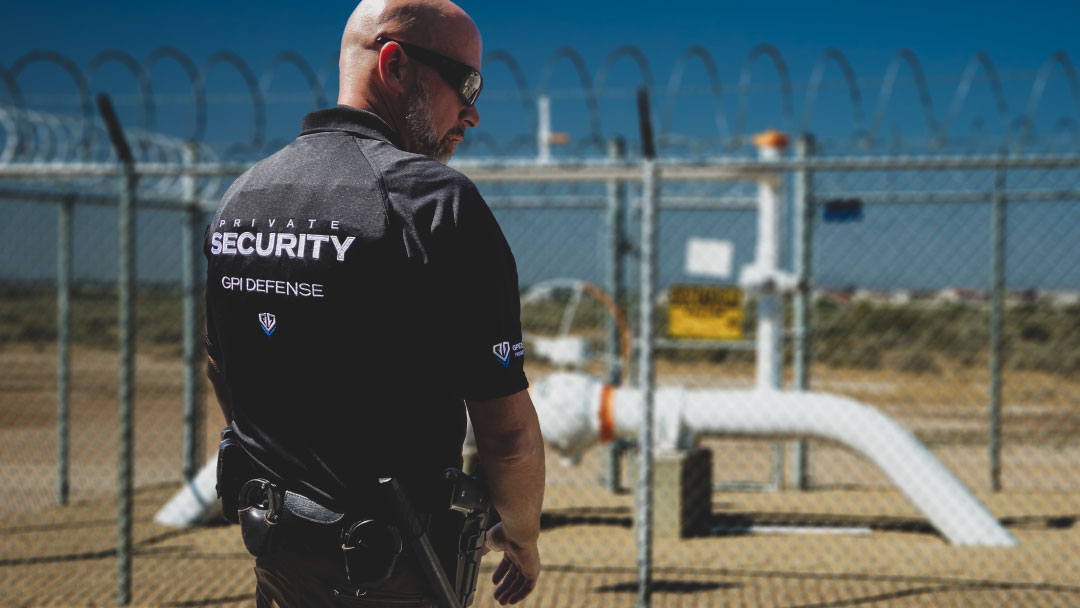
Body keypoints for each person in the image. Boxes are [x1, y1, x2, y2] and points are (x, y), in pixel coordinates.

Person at [203, 1, 545, 606]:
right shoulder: (436, 206)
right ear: (394, 64)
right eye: (466, 83)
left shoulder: (245, 195)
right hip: (398, 568)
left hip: (280, 556)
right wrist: (521, 537)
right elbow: (508, 435)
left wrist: (296, 477)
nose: (473, 111)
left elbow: (222, 368)